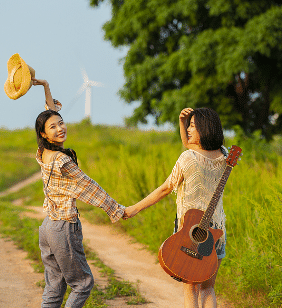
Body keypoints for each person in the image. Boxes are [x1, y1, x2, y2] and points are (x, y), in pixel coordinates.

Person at [31, 78, 127, 308]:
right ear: (44, 134)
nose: (60, 128)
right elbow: (89, 187)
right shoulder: (63, 160)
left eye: (61, 123)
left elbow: (49, 114)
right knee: (82, 284)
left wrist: (45, 85)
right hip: (63, 227)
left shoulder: (43, 152)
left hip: (47, 227)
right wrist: (116, 210)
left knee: (54, 286)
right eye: (53, 127)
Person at [124, 107, 228, 308]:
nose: (188, 130)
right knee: (208, 288)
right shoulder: (224, 157)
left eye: (193, 126)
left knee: (190, 288)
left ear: (205, 129)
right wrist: (182, 122)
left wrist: (135, 208)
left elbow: (165, 189)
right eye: (188, 125)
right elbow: (190, 145)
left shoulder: (187, 159)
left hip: (190, 232)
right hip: (217, 232)